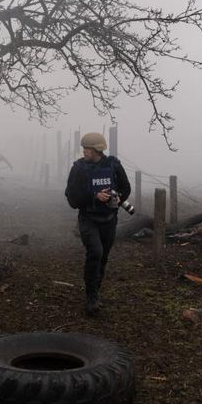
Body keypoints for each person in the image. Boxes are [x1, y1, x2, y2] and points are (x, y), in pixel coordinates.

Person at [64, 132, 131, 316]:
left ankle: (95, 289)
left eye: (88, 149)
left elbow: (126, 188)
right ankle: (91, 296)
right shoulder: (78, 169)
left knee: (103, 256)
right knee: (95, 251)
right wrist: (94, 196)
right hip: (88, 218)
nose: (84, 151)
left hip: (109, 219)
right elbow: (71, 198)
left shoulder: (113, 165)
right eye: (84, 148)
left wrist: (116, 197)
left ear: (98, 150)